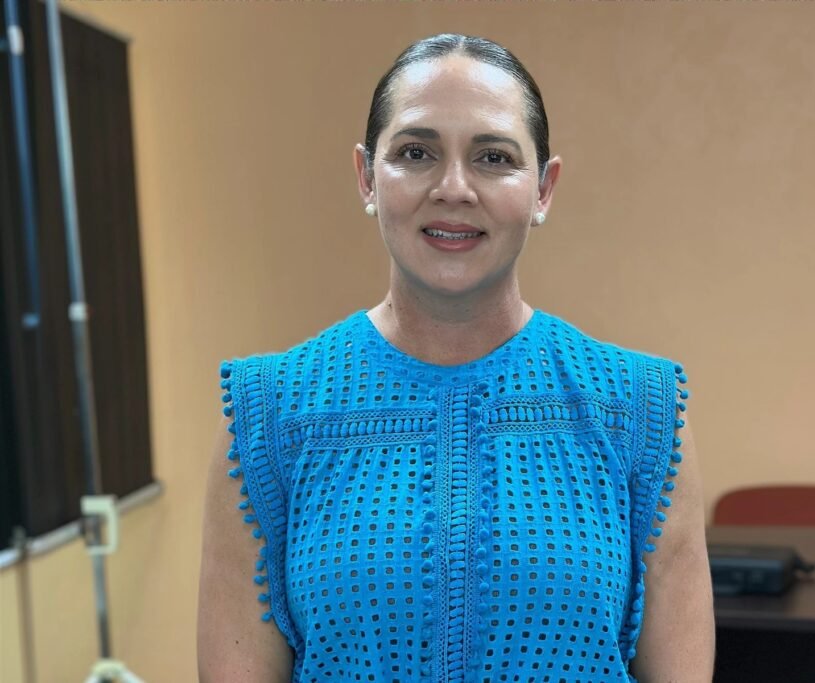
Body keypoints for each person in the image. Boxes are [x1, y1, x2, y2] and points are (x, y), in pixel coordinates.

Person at [198, 33, 714, 683]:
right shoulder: (265, 417)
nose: (453, 188)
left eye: (494, 157)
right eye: (416, 152)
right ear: (366, 176)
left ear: (544, 189)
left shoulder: (642, 411)